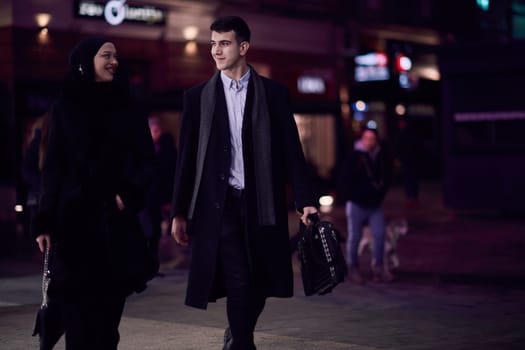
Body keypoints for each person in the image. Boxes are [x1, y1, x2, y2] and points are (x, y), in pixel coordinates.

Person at [170, 16, 318, 350]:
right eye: (213, 44)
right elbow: (186, 160)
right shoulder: (197, 98)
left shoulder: (273, 94)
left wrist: (306, 200)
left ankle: (237, 334)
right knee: (239, 278)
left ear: (243, 47)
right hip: (219, 206)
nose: (216, 51)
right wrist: (179, 211)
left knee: (260, 280)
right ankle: (242, 344)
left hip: (261, 203)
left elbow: (292, 152)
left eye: (224, 43)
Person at [33, 36, 157, 349]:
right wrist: (44, 220)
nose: (114, 61)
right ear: (85, 62)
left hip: (114, 229)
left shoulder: (129, 106)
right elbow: (53, 168)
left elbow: (145, 162)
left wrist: (127, 194)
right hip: (73, 228)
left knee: (107, 323)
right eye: (106, 55)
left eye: (116, 55)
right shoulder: (64, 108)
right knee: (77, 321)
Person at [338, 127, 394, 284]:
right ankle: (353, 268)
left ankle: (378, 267)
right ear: (362, 140)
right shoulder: (354, 156)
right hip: (356, 204)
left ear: (377, 140)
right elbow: (344, 179)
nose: (369, 142)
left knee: (380, 235)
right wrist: (351, 196)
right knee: (354, 237)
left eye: (372, 138)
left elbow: (388, 176)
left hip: (375, 205)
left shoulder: (381, 156)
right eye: (366, 138)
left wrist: (380, 195)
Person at [140, 117, 177, 264]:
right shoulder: (144, 149)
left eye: (158, 130)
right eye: (155, 130)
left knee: (155, 229)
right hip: (146, 195)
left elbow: (167, 174)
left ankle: (152, 261)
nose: (158, 133)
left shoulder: (164, 149)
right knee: (147, 228)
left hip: (157, 195)